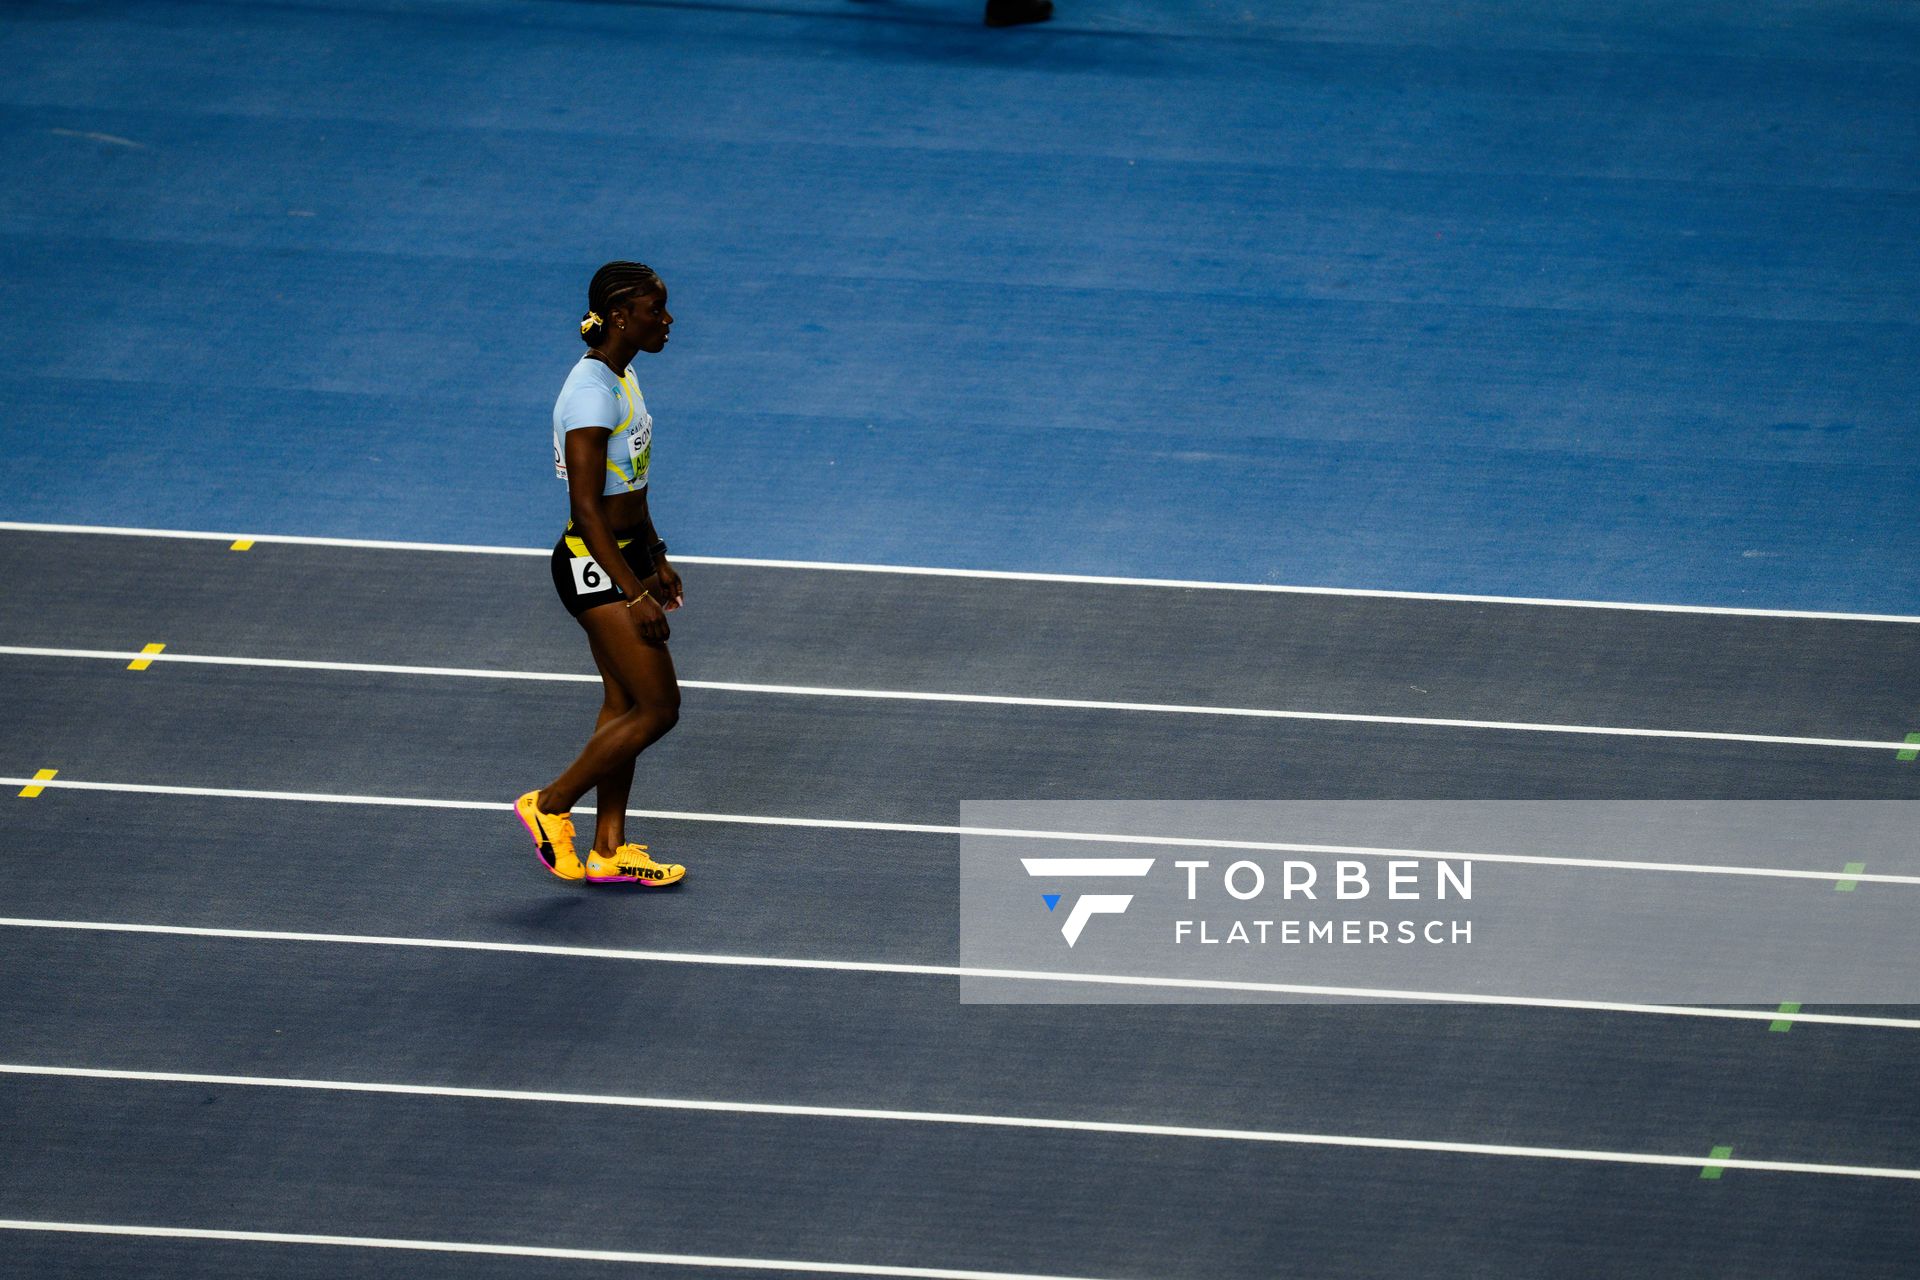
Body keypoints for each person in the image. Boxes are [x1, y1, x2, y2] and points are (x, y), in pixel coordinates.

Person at [515, 261, 688, 887]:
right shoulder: (590, 394)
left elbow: (630, 483)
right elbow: (587, 509)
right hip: (592, 565)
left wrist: (656, 555)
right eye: (655, 310)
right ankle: (549, 806)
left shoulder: (623, 373)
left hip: (621, 555)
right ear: (620, 317)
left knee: (622, 703)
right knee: (660, 706)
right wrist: (633, 590)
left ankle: (608, 849)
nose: (667, 321)